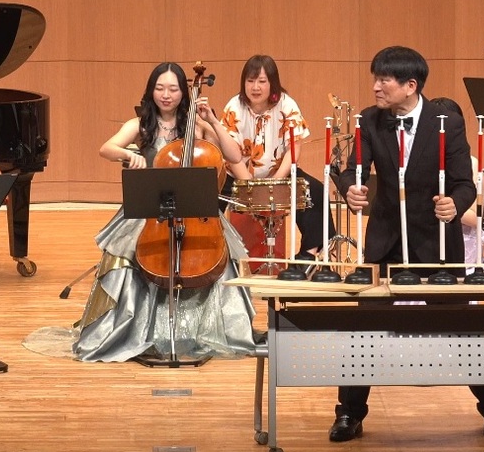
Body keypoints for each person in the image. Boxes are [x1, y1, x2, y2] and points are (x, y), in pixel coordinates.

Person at [333, 46, 484, 442]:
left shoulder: (446, 122)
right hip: (386, 242)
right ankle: (349, 414)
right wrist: (350, 188)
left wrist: (455, 204)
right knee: (364, 329)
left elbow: (464, 183)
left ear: (411, 85)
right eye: (375, 78)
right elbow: (351, 169)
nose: (376, 87)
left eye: (384, 80)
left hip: (436, 244)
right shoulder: (369, 120)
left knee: (463, 330)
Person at [73, 62, 256, 362]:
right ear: (151, 91)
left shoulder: (197, 125)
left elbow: (234, 156)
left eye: (173, 89)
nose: (166, 95)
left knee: (221, 256)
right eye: (160, 88)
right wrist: (128, 154)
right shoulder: (139, 125)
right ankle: (130, 330)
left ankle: (205, 331)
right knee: (125, 257)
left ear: (184, 93)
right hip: (150, 211)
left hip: (194, 210)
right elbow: (106, 148)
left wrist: (212, 119)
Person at [220, 55, 335, 266]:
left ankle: (309, 253)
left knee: (316, 191)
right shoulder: (234, 106)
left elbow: (294, 148)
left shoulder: (286, 104)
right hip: (237, 175)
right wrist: (250, 184)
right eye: (250, 81)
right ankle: (214, 254)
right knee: (208, 199)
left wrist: (276, 181)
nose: (255, 87)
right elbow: (230, 154)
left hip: (279, 173)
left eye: (262, 81)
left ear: (272, 83)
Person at [432, 97, 484, 272]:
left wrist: (444, 208)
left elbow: (475, 218)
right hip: (427, 235)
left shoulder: (471, 163)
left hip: (463, 240)